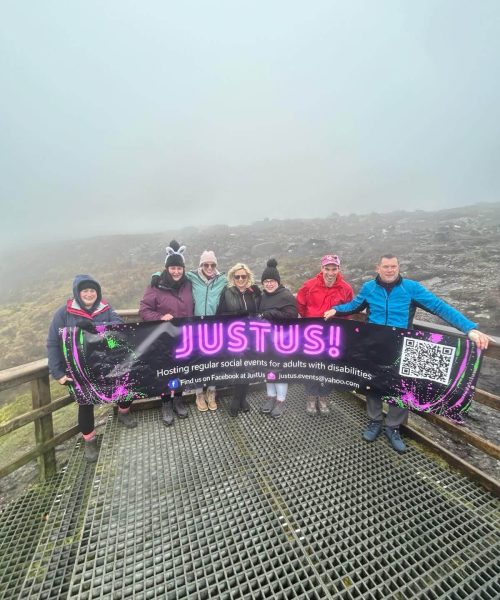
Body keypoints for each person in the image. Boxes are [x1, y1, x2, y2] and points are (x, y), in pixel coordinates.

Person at [324, 254, 491, 453]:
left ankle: (393, 427)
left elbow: (439, 307)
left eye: (393, 266)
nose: (390, 270)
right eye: (385, 266)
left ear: (398, 267)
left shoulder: (411, 288)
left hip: (401, 346)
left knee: (402, 389)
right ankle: (374, 421)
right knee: (371, 384)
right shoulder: (369, 287)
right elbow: (355, 305)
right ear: (378, 268)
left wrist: (469, 328)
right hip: (374, 345)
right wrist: (336, 310)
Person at [47, 274, 137, 463]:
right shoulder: (63, 313)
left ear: (98, 292)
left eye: (92, 290)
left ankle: (124, 413)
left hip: (106, 364)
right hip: (79, 369)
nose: (89, 294)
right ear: (78, 293)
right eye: (85, 291)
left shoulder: (105, 308)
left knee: (125, 388)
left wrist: (94, 327)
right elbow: (53, 343)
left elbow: (118, 326)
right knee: (85, 403)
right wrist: (57, 372)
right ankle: (89, 440)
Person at [139, 240, 194, 426]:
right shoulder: (155, 285)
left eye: (179, 268)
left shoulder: (189, 284)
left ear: (183, 268)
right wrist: (160, 317)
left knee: (179, 371)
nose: (176, 271)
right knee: (164, 372)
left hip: (184, 337)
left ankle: (178, 400)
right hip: (163, 339)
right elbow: (144, 310)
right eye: (173, 268)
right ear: (167, 268)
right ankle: (166, 404)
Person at [296, 254, 354, 415]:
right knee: (311, 367)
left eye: (333, 269)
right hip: (312, 335)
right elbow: (301, 306)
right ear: (321, 269)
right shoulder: (309, 286)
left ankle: (324, 397)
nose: (330, 272)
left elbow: (348, 310)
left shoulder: (346, 288)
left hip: (333, 336)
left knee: (329, 367)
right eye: (327, 268)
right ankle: (311, 397)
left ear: (338, 269)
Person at [217, 262, 261, 417]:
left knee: (248, 367)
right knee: (238, 368)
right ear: (232, 278)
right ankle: (236, 398)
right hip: (234, 337)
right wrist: (237, 315)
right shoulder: (227, 292)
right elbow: (220, 315)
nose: (241, 279)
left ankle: (243, 398)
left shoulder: (254, 292)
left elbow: (260, 312)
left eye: (244, 276)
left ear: (248, 276)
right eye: (237, 276)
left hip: (251, 336)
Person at [186, 250, 227, 412]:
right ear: (201, 265)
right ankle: (198, 394)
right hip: (196, 328)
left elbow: (241, 282)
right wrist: (156, 275)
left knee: (213, 362)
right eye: (205, 264)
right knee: (198, 363)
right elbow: (171, 276)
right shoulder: (191, 277)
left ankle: (211, 391)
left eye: (212, 264)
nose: (209, 267)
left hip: (214, 329)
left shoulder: (222, 280)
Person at [258, 259, 298, 418]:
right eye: (266, 281)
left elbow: (292, 316)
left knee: (280, 371)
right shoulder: (263, 296)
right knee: (268, 370)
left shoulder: (286, 295)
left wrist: (271, 313)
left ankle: (281, 401)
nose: (268, 284)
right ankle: (271, 397)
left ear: (278, 281)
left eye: (272, 281)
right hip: (266, 340)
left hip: (282, 341)